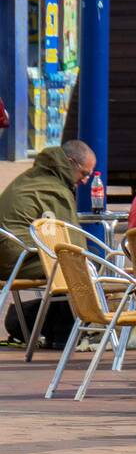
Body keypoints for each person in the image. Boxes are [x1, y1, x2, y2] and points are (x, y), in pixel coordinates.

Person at [0, 139, 94, 345]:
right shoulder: (56, 190)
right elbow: (73, 242)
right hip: (16, 258)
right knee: (76, 267)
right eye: (85, 174)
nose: (85, 181)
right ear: (70, 162)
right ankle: (66, 334)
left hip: (10, 253)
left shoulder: (33, 177)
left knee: (66, 265)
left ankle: (44, 325)